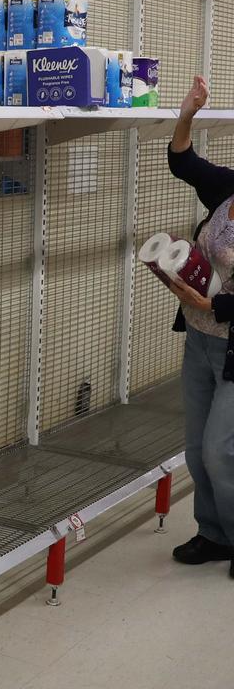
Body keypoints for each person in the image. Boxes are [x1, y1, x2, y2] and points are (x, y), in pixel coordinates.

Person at [166, 75, 234, 576]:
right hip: (199, 340)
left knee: (220, 452)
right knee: (195, 450)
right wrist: (188, 112)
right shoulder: (228, 189)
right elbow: (183, 162)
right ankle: (212, 534)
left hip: (231, 345)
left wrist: (213, 308)